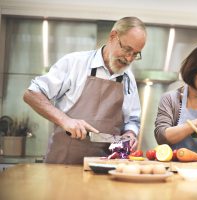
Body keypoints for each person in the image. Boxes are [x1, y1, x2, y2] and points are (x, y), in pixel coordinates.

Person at [23, 16, 147, 164]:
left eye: (135, 54)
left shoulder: (128, 78)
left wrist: (130, 133)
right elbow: (32, 93)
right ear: (113, 36)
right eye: (127, 49)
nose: (129, 58)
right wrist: (65, 120)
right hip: (63, 164)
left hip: (104, 167)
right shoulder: (74, 63)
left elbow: (132, 120)